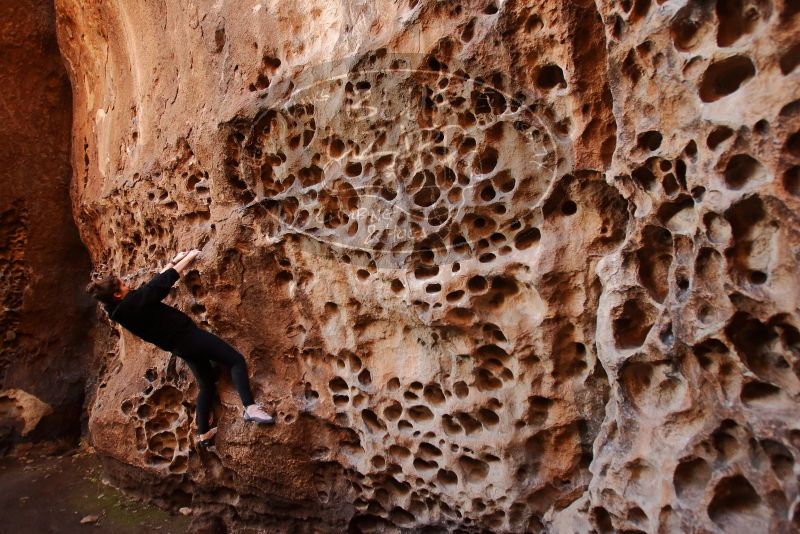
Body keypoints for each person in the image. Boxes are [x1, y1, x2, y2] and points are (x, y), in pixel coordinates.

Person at [86, 248, 274, 449]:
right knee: (235, 360)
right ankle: (250, 407)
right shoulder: (133, 304)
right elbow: (160, 286)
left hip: (180, 347)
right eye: (123, 286)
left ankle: (203, 434)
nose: (127, 285)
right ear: (117, 295)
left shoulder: (120, 310)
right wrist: (190, 257)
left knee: (207, 384)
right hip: (189, 338)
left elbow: (151, 287)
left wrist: (174, 261)